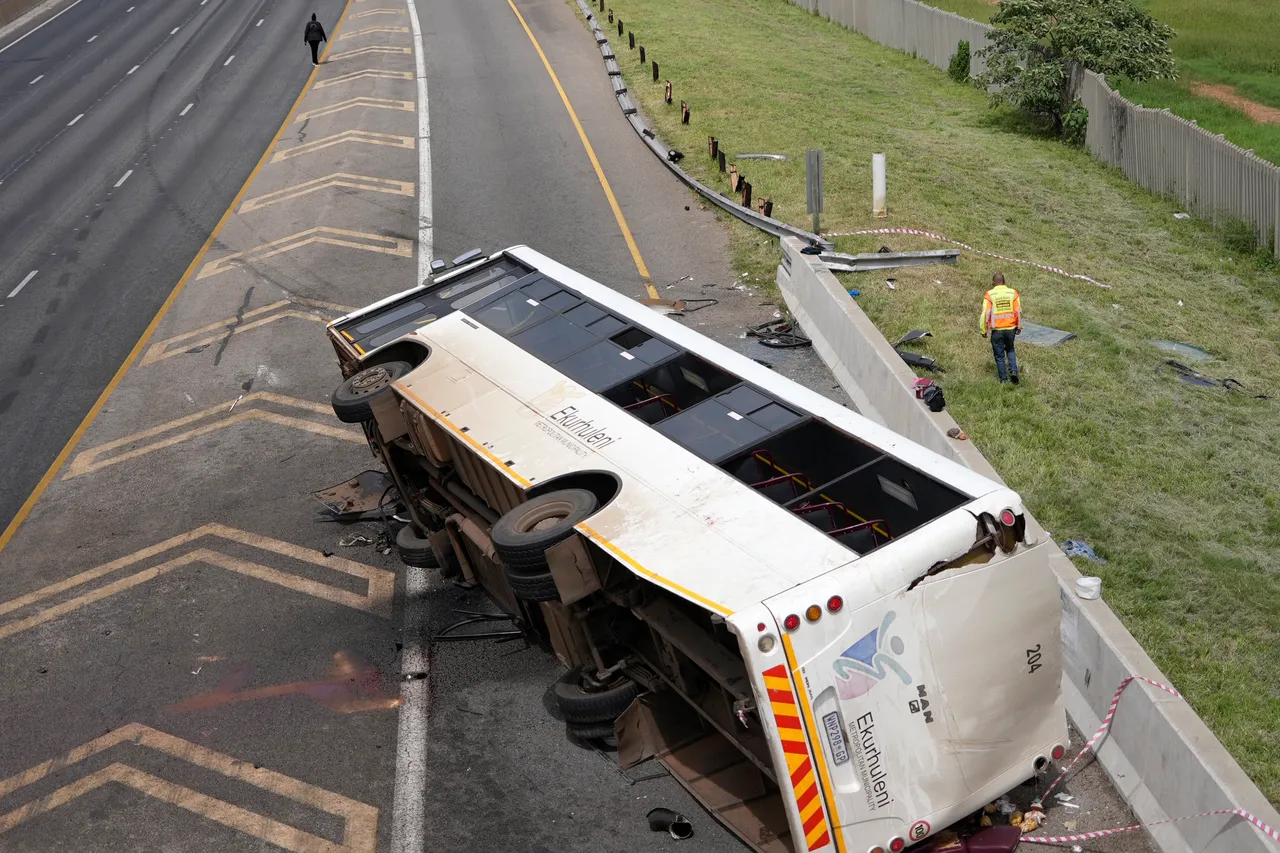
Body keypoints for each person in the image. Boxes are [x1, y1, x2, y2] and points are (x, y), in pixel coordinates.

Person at [980, 272, 1022, 384]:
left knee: (999, 356)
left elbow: (985, 313)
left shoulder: (989, 295)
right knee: (1010, 349)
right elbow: (1018, 310)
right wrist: (1018, 325)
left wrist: (984, 330)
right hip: (1010, 328)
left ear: (993, 283)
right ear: (1004, 282)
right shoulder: (1013, 293)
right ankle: (1013, 370)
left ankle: (1003, 380)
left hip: (997, 330)